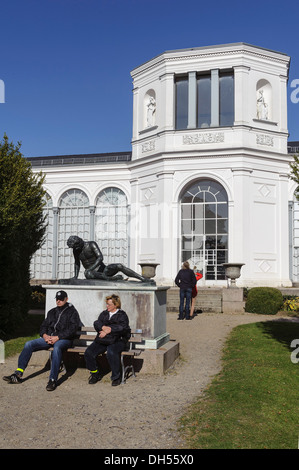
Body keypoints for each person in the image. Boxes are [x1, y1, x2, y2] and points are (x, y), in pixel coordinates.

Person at [3, 290, 81, 391]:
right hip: (49, 339)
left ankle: (52, 380)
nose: (59, 301)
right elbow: (43, 326)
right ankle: (18, 374)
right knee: (29, 344)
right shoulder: (52, 312)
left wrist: (57, 337)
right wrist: (44, 336)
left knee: (57, 348)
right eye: (57, 299)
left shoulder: (72, 312)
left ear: (66, 299)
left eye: (61, 299)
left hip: (64, 340)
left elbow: (73, 329)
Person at [84, 294, 130, 386]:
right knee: (89, 352)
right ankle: (95, 373)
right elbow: (97, 323)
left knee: (111, 352)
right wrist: (103, 327)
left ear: (115, 305)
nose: (107, 306)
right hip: (103, 340)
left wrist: (109, 330)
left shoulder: (122, 315)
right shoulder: (104, 313)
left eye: (109, 304)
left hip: (118, 340)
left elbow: (123, 328)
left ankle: (116, 377)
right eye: (107, 304)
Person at [67, 235, 153, 283]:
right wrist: (75, 276)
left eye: (76, 246)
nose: (75, 249)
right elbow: (77, 263)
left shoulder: (91, 244)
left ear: (79, 242)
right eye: (74, 247)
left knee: (119, 266)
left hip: (103, 271)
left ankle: (142, 278)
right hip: (92, 274)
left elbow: (100, 257)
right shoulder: (76, 251)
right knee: (88, 274)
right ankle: (111, 279)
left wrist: (90, 268)